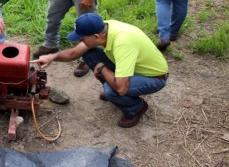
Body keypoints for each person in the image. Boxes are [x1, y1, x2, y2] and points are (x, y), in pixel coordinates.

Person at [32, 13, 168, 128]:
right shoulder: (104, 27)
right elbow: (74, 53)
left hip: (154, 77)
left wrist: (102, 69)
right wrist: (52, 56)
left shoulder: (123, 43)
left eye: (82, 38)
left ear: (96, 37)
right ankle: (115, 87)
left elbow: (121, 88)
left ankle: (136, 108)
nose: (80, 40)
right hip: (131, 67)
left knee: (114, 91)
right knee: (89, 54)